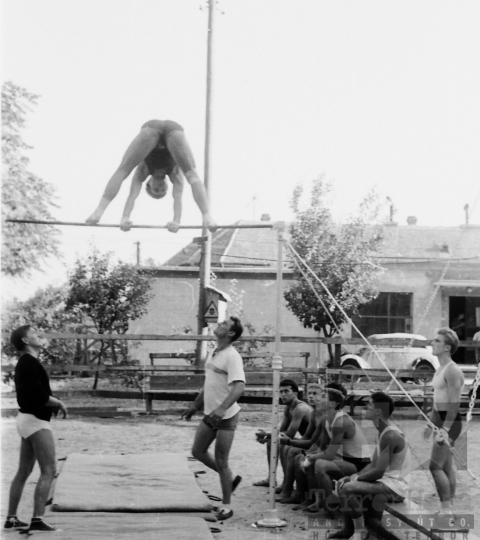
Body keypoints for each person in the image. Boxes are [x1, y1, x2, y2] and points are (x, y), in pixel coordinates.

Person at [86, 120, 217, 233]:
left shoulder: (142, 172)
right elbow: (177, 199)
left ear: (148, 184)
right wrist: (176, 221)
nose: (160, 187)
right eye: (163, 190)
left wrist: (125, 218)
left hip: (151, 129)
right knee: (192, 175)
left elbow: (132, 196)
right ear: (167, 186)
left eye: (156, 190)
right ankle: (207, 216)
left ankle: (98, 212)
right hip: (174, 131)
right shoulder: (175, 175)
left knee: (123, 169)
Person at [4, 325, 68, 533]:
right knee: (49, 470)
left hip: (27, 419)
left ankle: (11, 518)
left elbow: (34, 393)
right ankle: (37, 519)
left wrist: (51, 403)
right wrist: (58, 402)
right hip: (35, 422)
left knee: (24, 470)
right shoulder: (29, 362)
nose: (38, 335)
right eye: (33, 333)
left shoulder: (27, 362)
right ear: (25, 340)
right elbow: (38, 395)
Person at [181, 316, 245, 521]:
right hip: (210, 413)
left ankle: (226, 506)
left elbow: (239, 387)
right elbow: (209, 384)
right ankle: (230, 479)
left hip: (226, 416)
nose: (220, 324)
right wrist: (194, 406)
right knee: (197, 451)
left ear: (231, 333)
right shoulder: (214, 352)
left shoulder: (232, 356)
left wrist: (222, 408)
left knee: (221, 460)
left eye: (224, 324)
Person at [332, 392, 411, 540]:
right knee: (345, 483)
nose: (365, 407)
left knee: (348, 488)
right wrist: (353, 476)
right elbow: (373, 464)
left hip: (395, 487)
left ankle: (360, 531)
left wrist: (354, 480)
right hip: (385, 483)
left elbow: (378, 472)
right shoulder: (383, 431)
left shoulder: (390, 435)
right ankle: (348, 530)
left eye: (369, 405)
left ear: (378, 411)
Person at [304, 382, 371, 516]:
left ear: (332, 404)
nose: (318, 399)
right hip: (346, 460)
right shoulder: (327, 419)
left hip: (360, 465)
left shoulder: (340, 421)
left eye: (323, 397)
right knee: (312, 463)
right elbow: (322, 447)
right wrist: (310, 456)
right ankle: (319, 501)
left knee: (320, 465)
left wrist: (312, 457)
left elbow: (329, 455)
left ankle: (330, 507)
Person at [424, 328, 464, 514]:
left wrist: (445, 429)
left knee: (435, 466)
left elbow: (454, 404)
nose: (432, 343)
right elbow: (438, 399)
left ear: (447, 347)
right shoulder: (440, 368)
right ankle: (449, 509)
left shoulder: (452, 370)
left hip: (450, 422)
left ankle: (446, 510)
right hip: (440, 420)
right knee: (447, 466)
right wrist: (431, 423)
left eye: (437, 341)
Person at [253, 379, 312, 491]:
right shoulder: (288, 408)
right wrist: (267, 437)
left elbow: (289, 434)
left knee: (283, 445)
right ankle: (271, 478)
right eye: (281, 392)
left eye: (286, 391)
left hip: (312, 443)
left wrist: (267, 434)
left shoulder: (300, 408)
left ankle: (286, 484)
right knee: (272, 442)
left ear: (295, 393)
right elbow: (282, 431)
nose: (283, 394)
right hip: (305, 440)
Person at [277, 383, 330, 506]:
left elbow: (320, 442)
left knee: (295, 453)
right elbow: (307, 436)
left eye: (315, 394)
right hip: (315, 445)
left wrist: (291, 442)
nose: (311, 396)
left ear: (322, 397)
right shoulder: (314, 413)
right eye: (309, 393)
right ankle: (291, 489)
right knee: (288, 448)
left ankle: (292, 491)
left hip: (326, 449)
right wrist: (290, 442)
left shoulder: (323, 414)